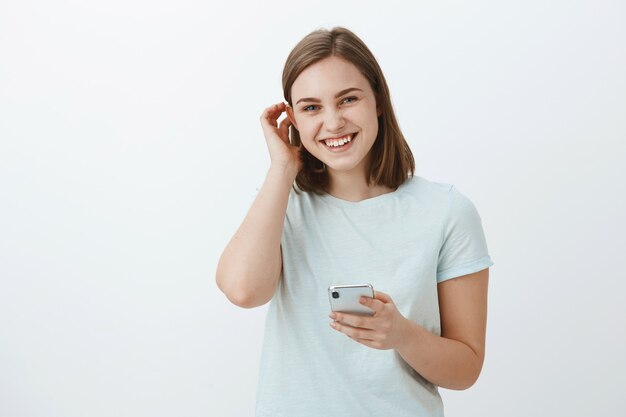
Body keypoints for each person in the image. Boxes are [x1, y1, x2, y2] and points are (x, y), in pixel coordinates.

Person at [216, 26, 494, 417]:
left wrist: (401, 334)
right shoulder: (282, 204)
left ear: (377, 101)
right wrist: (282, 168)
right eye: (311, 108)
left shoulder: (446, 211)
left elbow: (466, 369)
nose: (332, 123)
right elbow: (243, 291)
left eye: (347, 100)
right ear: (293, 118)